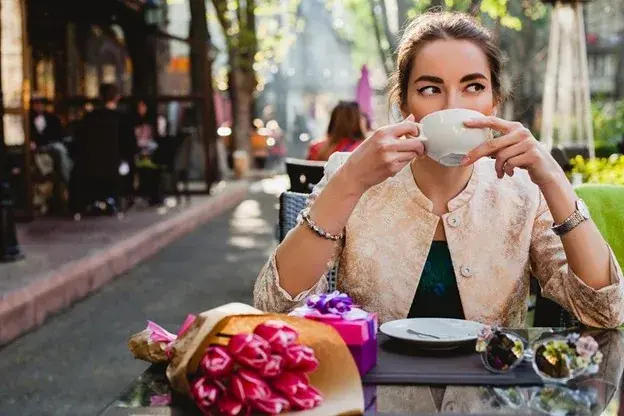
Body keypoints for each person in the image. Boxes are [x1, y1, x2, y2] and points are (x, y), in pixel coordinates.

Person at [253, 11, 624, 328]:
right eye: (431, 89)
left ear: (494, 102)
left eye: (473, 86)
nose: (452, 106)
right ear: (403, 103)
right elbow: (275, 308)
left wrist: (554, 180)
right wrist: (349, 181)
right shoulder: (353, 174)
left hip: (488, 398)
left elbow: (605, 311)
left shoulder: (525, 189)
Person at [69, 83, 137, 214]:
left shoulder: (89, 118)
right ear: (117, 98)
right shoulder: (122, 119)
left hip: (90, 168)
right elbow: (130, 147)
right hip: (114, 167)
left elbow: (78, 143)